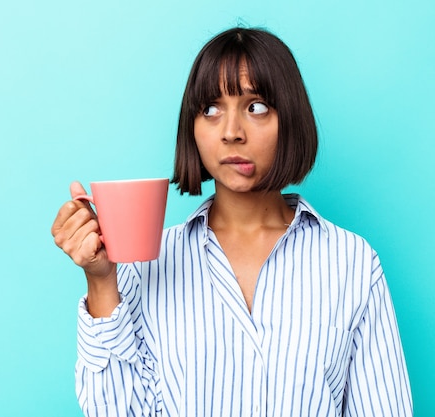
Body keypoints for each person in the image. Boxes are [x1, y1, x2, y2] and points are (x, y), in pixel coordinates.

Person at [52, 27, 412, 417]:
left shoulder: (352, 263)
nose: (231, 133)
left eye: (256, 107)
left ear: (290, 119)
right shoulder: (147, 263)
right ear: (192, 127)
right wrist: (102, 279)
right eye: (211, 109)